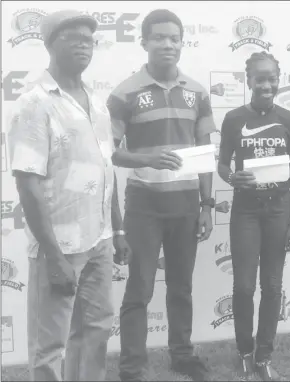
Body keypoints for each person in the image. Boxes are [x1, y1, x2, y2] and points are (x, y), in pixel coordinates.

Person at [8, 10, 131, 381]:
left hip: (100, 240)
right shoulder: (35, 103)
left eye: (88, 39)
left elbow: (106, 169)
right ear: (49, 44)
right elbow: (27, 184)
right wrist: (54, 255)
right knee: (50, 345)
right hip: (60, 246)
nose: (83, 44)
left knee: (94, 332)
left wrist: (119, 231)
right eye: (72, 37)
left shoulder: (95, 102)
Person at [106, 9, 216, 382]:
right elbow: (112, 152)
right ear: (144, 42)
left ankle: (182, 355)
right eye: (159, 37)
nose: (167, 44)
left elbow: (205, 154)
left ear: (182, 42)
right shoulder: (125, 93)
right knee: (139, 290)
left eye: (174, 38)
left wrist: (207, 204)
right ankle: (132, 366)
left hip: (186, 207)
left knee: (181, 288)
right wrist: (146, 157)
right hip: (144, 207)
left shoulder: (198, 92)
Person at [218, 51, 290, 381]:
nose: (266, 84)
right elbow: (224, 165)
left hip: (279, 210)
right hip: (246, 211)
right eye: (260, 78)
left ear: (278, 80)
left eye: (272, 78)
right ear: (248, 80)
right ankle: (244, 351)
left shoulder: (288, 119)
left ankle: (264, 355)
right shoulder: (234, 119)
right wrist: (230, 178)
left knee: (272, 285)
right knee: (243, 286)